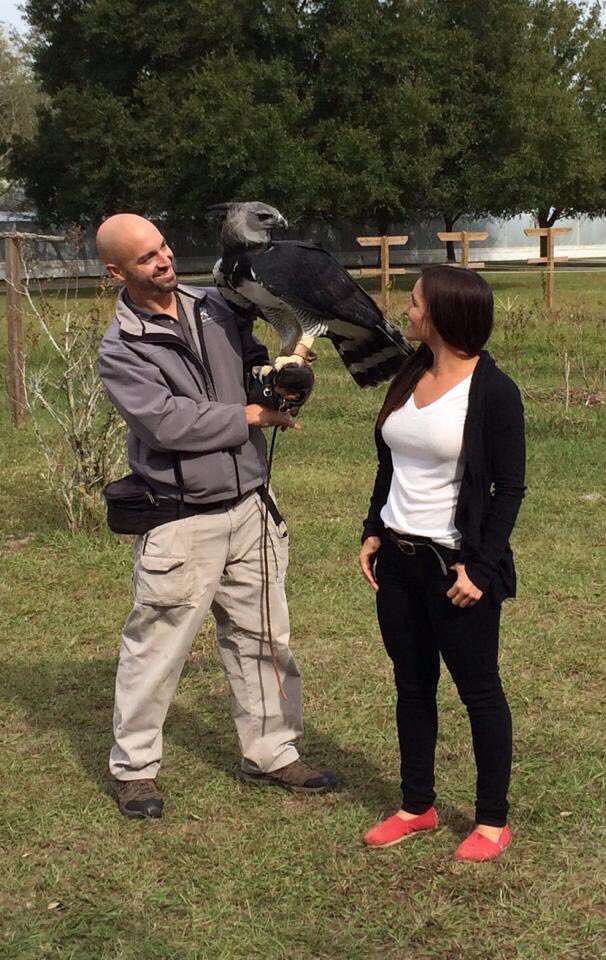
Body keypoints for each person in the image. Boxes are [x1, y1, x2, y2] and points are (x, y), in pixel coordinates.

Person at [97, 213, 336, 819]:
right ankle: (135, 768)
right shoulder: (121, 348)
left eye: (165, 247)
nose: (165, 260)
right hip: (180, 520)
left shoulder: (215, 307)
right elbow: (167, 422)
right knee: (157, 648)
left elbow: (255, 367)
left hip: (251, 506)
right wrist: (251, 418)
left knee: (264, 639)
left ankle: (272, 752)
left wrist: (282, 384)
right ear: (116, 272)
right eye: (148, 256)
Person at [358, 266, 525, 862]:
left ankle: (491, 820)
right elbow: (389, 463)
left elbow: (509, 488)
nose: (406, 310)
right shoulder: (409, 372)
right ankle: (417, 806)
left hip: (455, 568)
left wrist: (479, 570)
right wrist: (373, 529)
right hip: (398, 563)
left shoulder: (493, 391)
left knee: (479, 691)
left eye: (415, 302)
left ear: (443, 313)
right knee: (411, 686)